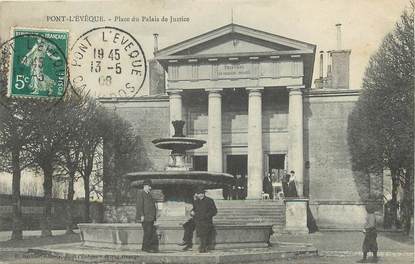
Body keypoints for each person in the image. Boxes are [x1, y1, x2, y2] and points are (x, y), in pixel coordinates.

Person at [136, 179, 158, 253]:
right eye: (149, 186)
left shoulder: (149, 194)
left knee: (149, 232)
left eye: (150, 186)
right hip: (145, 217)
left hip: (150, 217)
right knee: (147, 232)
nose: (150, 188)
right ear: (145, 186)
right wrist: (142, 215)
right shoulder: (141, 193)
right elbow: (139, 206)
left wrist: (154, 217)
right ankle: (146, 248)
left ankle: (145, 247)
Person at [193, 186, 217, 253]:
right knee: (201, 235)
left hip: (206, 221)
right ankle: (202, 247)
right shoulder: (196, 201)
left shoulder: (209, 200)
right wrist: (192, 212)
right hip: (198, 221)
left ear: (203, 193)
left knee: (205, 234)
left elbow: (214, 211)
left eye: (201, 193)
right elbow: (194, 209)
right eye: (198, 193)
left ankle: (203, 247)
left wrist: (206, 216)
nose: (199, 195)